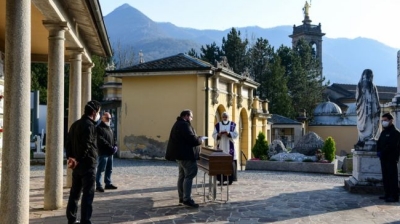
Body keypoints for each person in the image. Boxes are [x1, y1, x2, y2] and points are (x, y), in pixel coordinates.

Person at [66, 100, 101, 224]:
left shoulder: (74, 124)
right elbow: (86, 146)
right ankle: (85, 220)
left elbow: (68, 143)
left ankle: (71, 218)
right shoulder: (90, 126)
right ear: (93, 112)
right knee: (87, 194)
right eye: (98, 112)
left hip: (76, 165)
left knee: (74, 193)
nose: (98, 115)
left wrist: (71, 158)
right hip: (87, 164)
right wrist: (79, 159)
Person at [166, 109, 203, 208]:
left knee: (182, 176)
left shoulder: (178, 123)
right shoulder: (184, 125)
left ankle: (182, 197)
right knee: (189, 176)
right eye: (191, 117)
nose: (191, 119)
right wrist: (199, 140)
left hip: (180, 155)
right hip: (186, 155)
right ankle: (187, 199)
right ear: (186, 116)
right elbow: (191, 139)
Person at [377, 113, 400, 203]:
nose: (383, 122)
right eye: (382, 120)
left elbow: (392, 145)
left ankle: (394, 196)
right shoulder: (384, 132)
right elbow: (379, 143)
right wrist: (378, 151)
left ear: (391, 120)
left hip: (391, 158)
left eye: (385, 120)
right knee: (385, 177)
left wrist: (383, 152)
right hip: (383, 158)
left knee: (392, 177)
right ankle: (387, 194)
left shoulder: (395, 133)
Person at [355, 69, 381, 148]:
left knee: (368, 124)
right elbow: (374, 99)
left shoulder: (365, 85)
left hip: (366, 112)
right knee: (368, 124)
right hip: (366, 111)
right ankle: (366, 139)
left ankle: (366, 138)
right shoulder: (365, 85)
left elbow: (375, 99)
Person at [212, 112, 239, 185]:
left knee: (230, 162)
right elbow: (213, 135)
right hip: (221, 145)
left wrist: (229, 133)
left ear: (228, 117)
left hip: (230, 146)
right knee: (221, 163)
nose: (224, 118)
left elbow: (236, 134)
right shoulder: (218, 125)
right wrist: (218, 135)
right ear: (221, 117)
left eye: (226, 117)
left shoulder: (233, 125)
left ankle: (230, 179)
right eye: (223, 117)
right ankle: (221, 179)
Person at [95, 112, 118, 192]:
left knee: (109, 169)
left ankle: (108, 183)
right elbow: (101, 140)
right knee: (101, 169)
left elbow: (113, 138)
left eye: (110, 118)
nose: (109, 120)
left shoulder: (109, 127)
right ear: (102, 118)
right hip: (103, 152)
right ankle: (98, 185)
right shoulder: (99, 128)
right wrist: (110, 147)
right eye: (107, 118)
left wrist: (115, 145)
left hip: (110, 152)